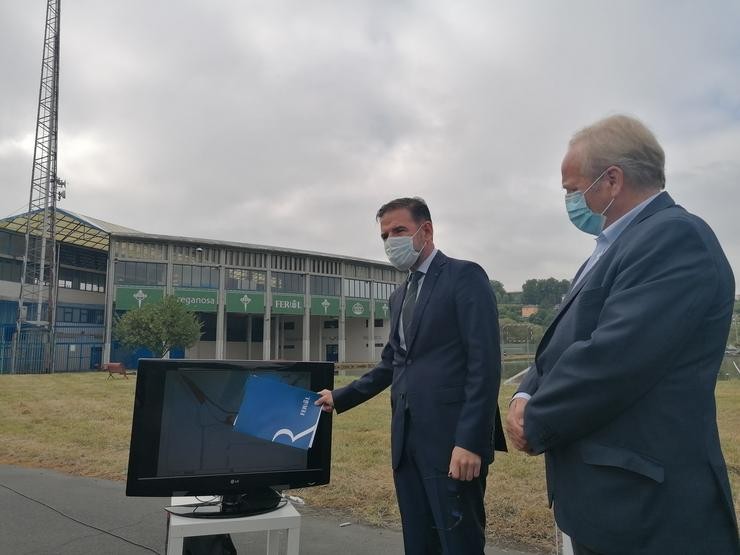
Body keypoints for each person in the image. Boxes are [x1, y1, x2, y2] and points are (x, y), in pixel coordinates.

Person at [505, 115, 739, 554]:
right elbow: (562, 342)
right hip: (606, 501)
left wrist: (534, 421)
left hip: (647, 511)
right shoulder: (611, 250)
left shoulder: (674, 237)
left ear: (611, 180)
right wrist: (524, 395)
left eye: (573, 189)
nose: (571, 200)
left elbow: (612, 360)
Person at [316, 197, 506, 554]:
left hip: (452, 443)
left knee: (458, 541)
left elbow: (485, 365)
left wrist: (470, 441)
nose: (391, 241)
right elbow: (392, 363)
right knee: (419, 541)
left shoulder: (464, 277)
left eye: (399, 230)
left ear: (426, 230)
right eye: (385, 235)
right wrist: (339, 396)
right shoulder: (400, 295)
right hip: (406, 441)